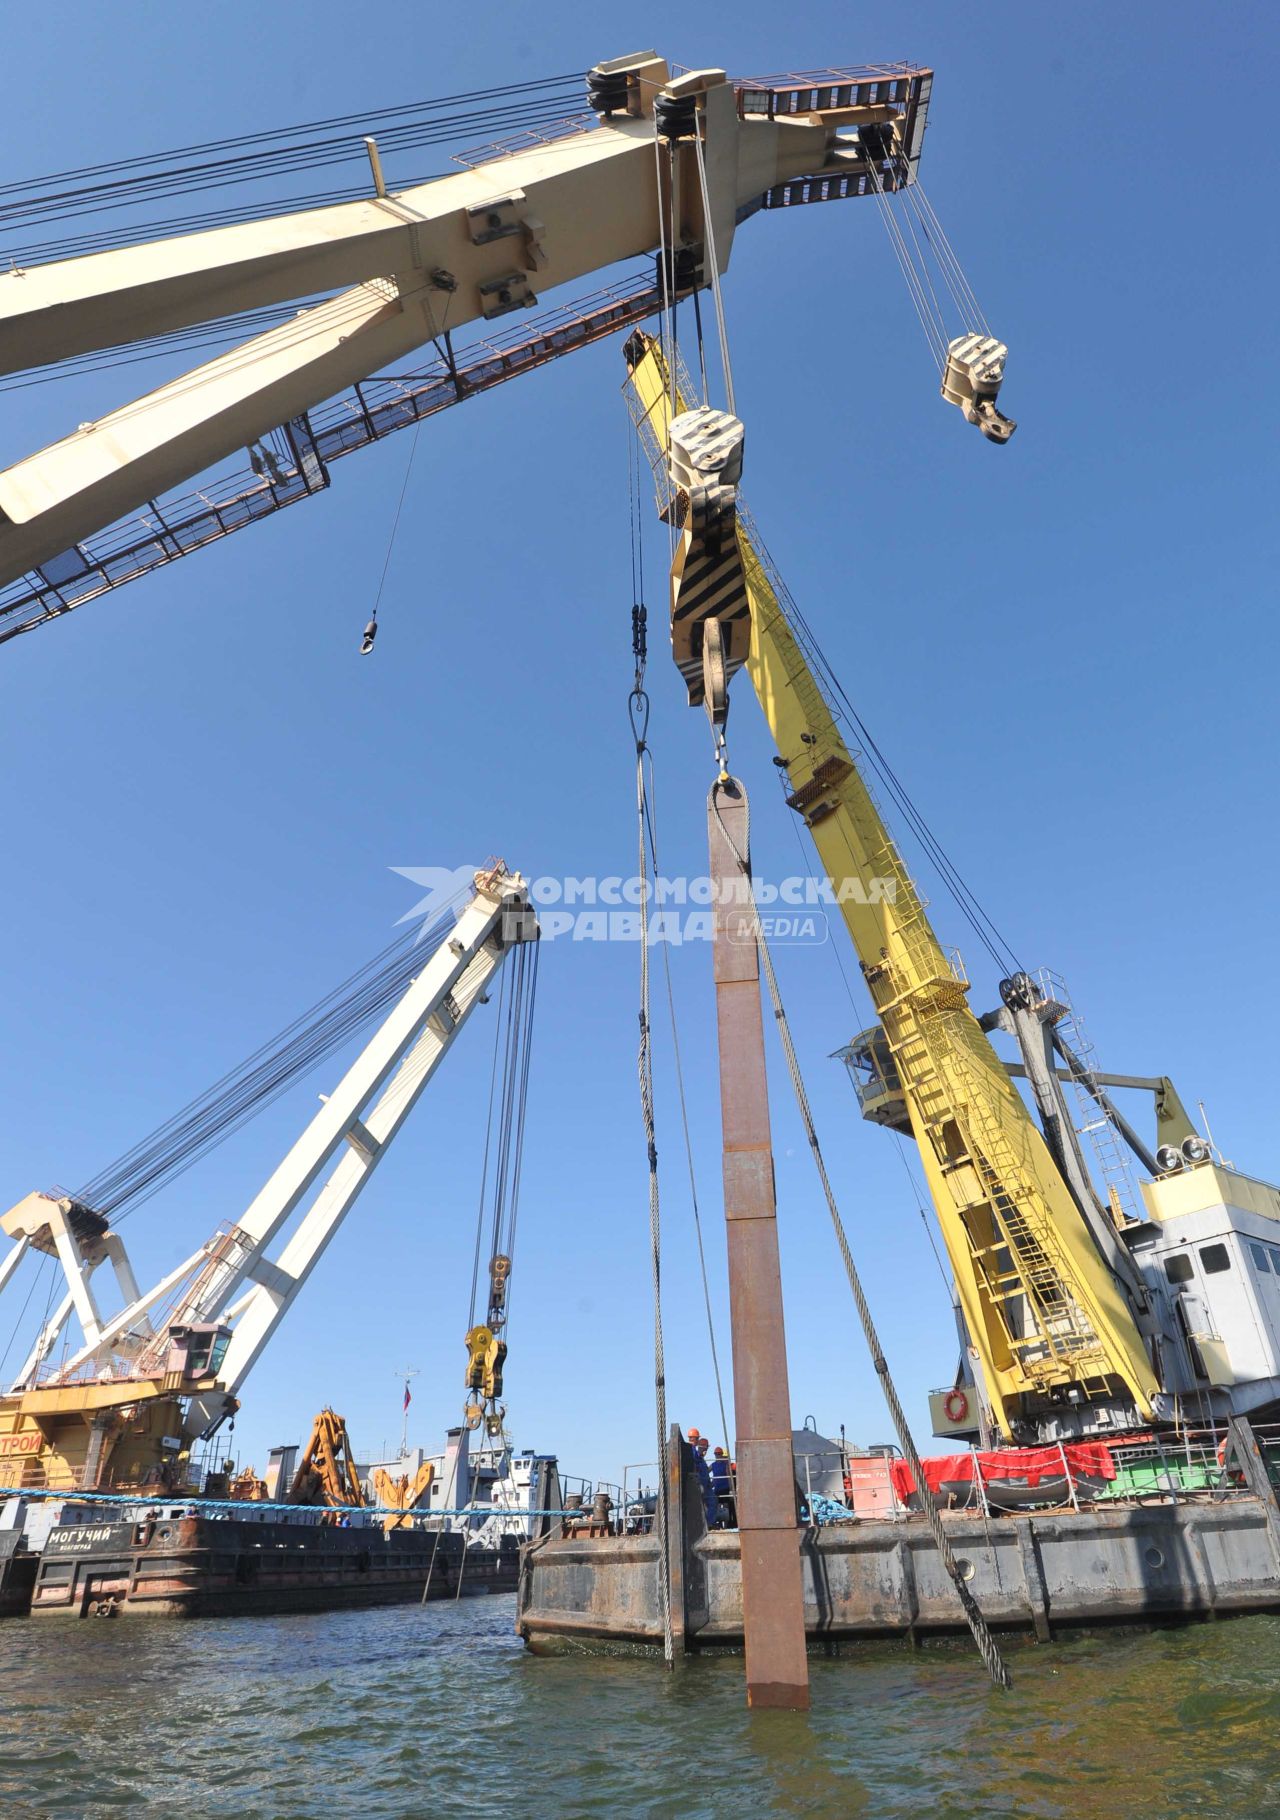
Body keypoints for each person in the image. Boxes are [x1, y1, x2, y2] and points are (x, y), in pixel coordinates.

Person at [688, 1429, 717, 1530]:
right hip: (699, 1484)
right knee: (711, 1502)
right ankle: (707, 1524)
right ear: (696, 1439)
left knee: (711, 1503)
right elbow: (695, 1467)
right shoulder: (692, 1451)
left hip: (704, 1484)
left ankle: (707, 1523)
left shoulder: (696, 1453)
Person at [710, 1446, 733, 1527]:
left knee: (726, 1507)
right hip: (717, 1489)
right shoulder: (713, 1465)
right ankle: (720, 1524)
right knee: (718, 1507)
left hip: (725, 1488)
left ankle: (726, 1525)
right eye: (716, 1454)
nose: (718, 1455)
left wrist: (731, 1489)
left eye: (719, 1454)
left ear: (722, 1454)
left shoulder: (725, 1465)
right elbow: (706, 1472)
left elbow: (729, 1477)